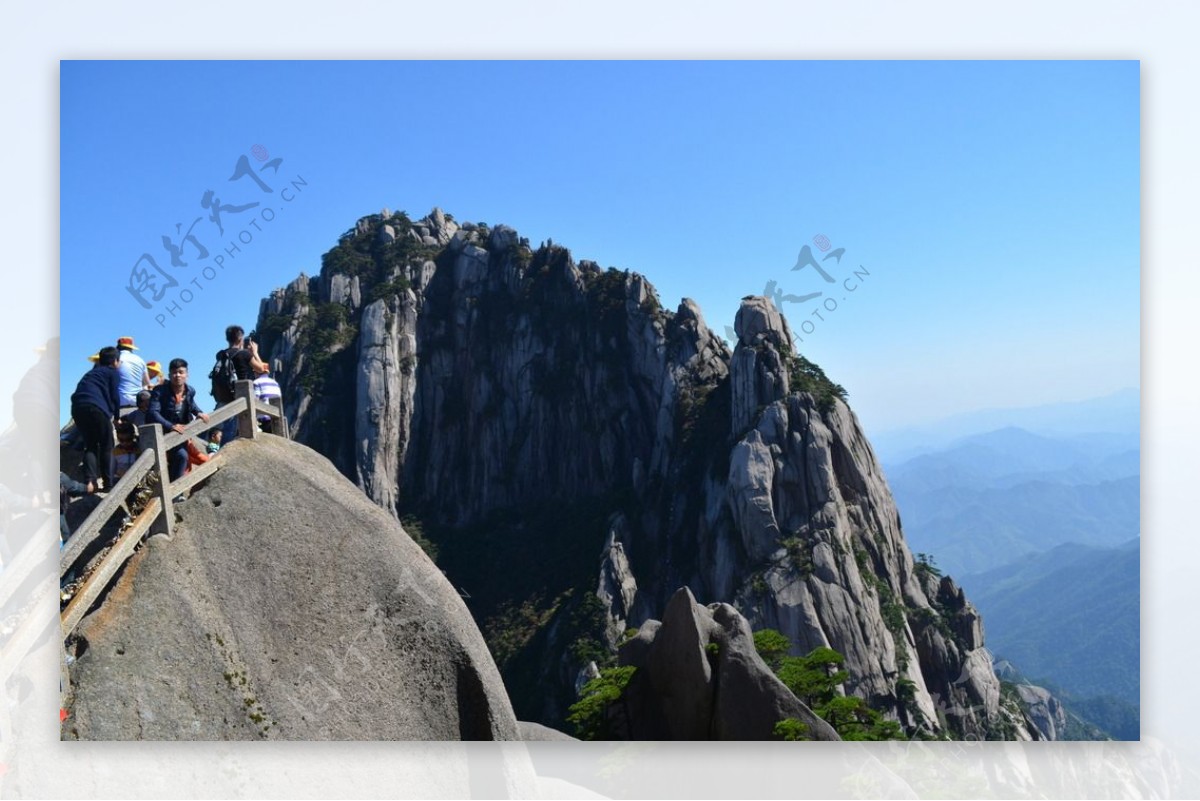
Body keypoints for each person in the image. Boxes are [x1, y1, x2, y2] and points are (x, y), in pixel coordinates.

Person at [69, 346, 121, 491]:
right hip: (95, 407)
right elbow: (115, 396)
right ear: (115, 361)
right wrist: (117, 417)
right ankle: (109, 484)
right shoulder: (112, 372)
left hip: (78, 407)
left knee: (90, 445)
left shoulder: (91, 373)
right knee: (107, 444)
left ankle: (90, 482)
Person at [149, 358, 210, 482]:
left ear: (187, 374)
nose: (177, 375)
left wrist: (199, 412)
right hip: (164, 432)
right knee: (181, 456)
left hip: (181, 432)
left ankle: (176, 492)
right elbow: (153, 412)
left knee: (184, 457)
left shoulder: (190, 391)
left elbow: (191, 404)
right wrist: (170, 426)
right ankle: (174, 492)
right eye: (174, 372)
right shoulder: (159, 392)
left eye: (181, 372)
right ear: (169, 375)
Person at [215, 325, 267, 444]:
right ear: (240, 338)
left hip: (224, 395)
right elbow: (261, 369)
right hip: (241, 396)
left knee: (229, 428)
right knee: (235, 429)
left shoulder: (220, 355)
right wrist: (254, 353)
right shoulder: (244, 354)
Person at [116, 336, 151, 413]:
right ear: (131, 348)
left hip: (119, 404)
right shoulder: (140, 360)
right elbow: (146, 384)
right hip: (137, 404)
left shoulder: (116, 360)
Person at [252, 362, 282, 432]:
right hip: (275, 418)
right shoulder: (275, 383)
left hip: (263, 421)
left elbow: (255, 400)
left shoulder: (256, 382)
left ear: (257, 371)